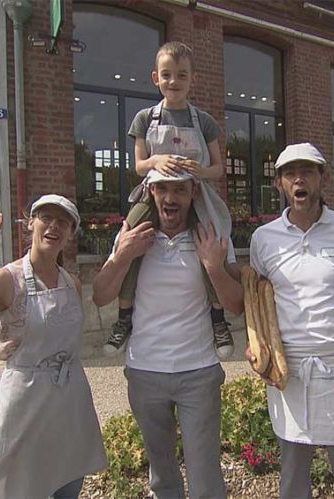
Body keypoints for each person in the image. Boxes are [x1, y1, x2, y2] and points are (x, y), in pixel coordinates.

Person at [0, 194, 107, 498]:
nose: (54, 226)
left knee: (67, 483)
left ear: (71, 232)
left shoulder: (72, 283)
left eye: (64, 221)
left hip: (70, 403)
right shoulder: (3, 282)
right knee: (21, 488)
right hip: (25, 403)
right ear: (31, 223)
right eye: (46, 217)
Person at [248, 142, 334, 498]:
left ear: (322, 178)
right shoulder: (264, 240)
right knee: (293, 475)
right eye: (291, 174)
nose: (300, 180)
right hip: (288, 371)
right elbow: (257, 304)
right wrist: (257, 348)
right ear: (280, 182)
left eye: (308, 171)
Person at [92, 169, 244, 498]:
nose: (170, 198)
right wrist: (123, 256)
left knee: (205, 476)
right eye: (162, 188)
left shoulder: (211, 235)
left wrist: (214, 268)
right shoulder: (133, 235)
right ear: (150, 192)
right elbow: (101, 295)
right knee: (162, 475)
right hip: (145, 373)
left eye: (179, 190)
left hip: (199, 372)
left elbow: (236, 304)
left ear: (193, 194)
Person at [104, 40, 234, 361]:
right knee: (130, 238)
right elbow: (138, 165)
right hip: (156, 190)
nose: (173, 82)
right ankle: (124, 317)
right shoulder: (144, 119)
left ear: (193, 80)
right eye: (167, 75)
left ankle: (218, 318)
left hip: (195, 191)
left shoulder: (204, 121)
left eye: (181, 75)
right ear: (155, 78)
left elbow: (218, 168)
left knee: (211, 242)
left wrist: (200, 170)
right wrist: (156, 162)